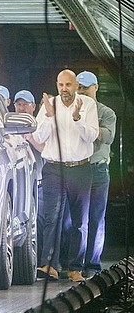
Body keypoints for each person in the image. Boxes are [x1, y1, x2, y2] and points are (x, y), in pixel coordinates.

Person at [32, 69, 99, 282]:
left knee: (80, 221)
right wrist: (50, 117)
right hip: (54, 168)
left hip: (80, 168)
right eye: (60, 85)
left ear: (76, 86)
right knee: (52, 217)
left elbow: (91, 136)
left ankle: (75, 268)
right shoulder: (49, 105)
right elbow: (38, 136)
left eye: (68, 85)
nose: (64, 89)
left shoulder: (88, 105)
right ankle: (48, 265)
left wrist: (78, 118)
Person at [76, 71, 117, 277]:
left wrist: (88, 126)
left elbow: (107, 137)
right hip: (76, 168)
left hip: (98, 169)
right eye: (80, 88)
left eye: (86, 87)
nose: (82, 91)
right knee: (75, 220)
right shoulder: (70, 111)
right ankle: (74, 264)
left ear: (96, 87)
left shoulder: (107, 113)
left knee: (96, 218)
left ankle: (92, 265)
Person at [15, 90, 46, 257]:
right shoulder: (9, 126)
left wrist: (31, 138)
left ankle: (42, 259)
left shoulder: (40, 124)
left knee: (40, 221)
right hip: (19, 183)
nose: (21, 108)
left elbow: (46, 149)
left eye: (25, 104)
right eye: (18, 104)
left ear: (33, 106)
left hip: (39, 182)